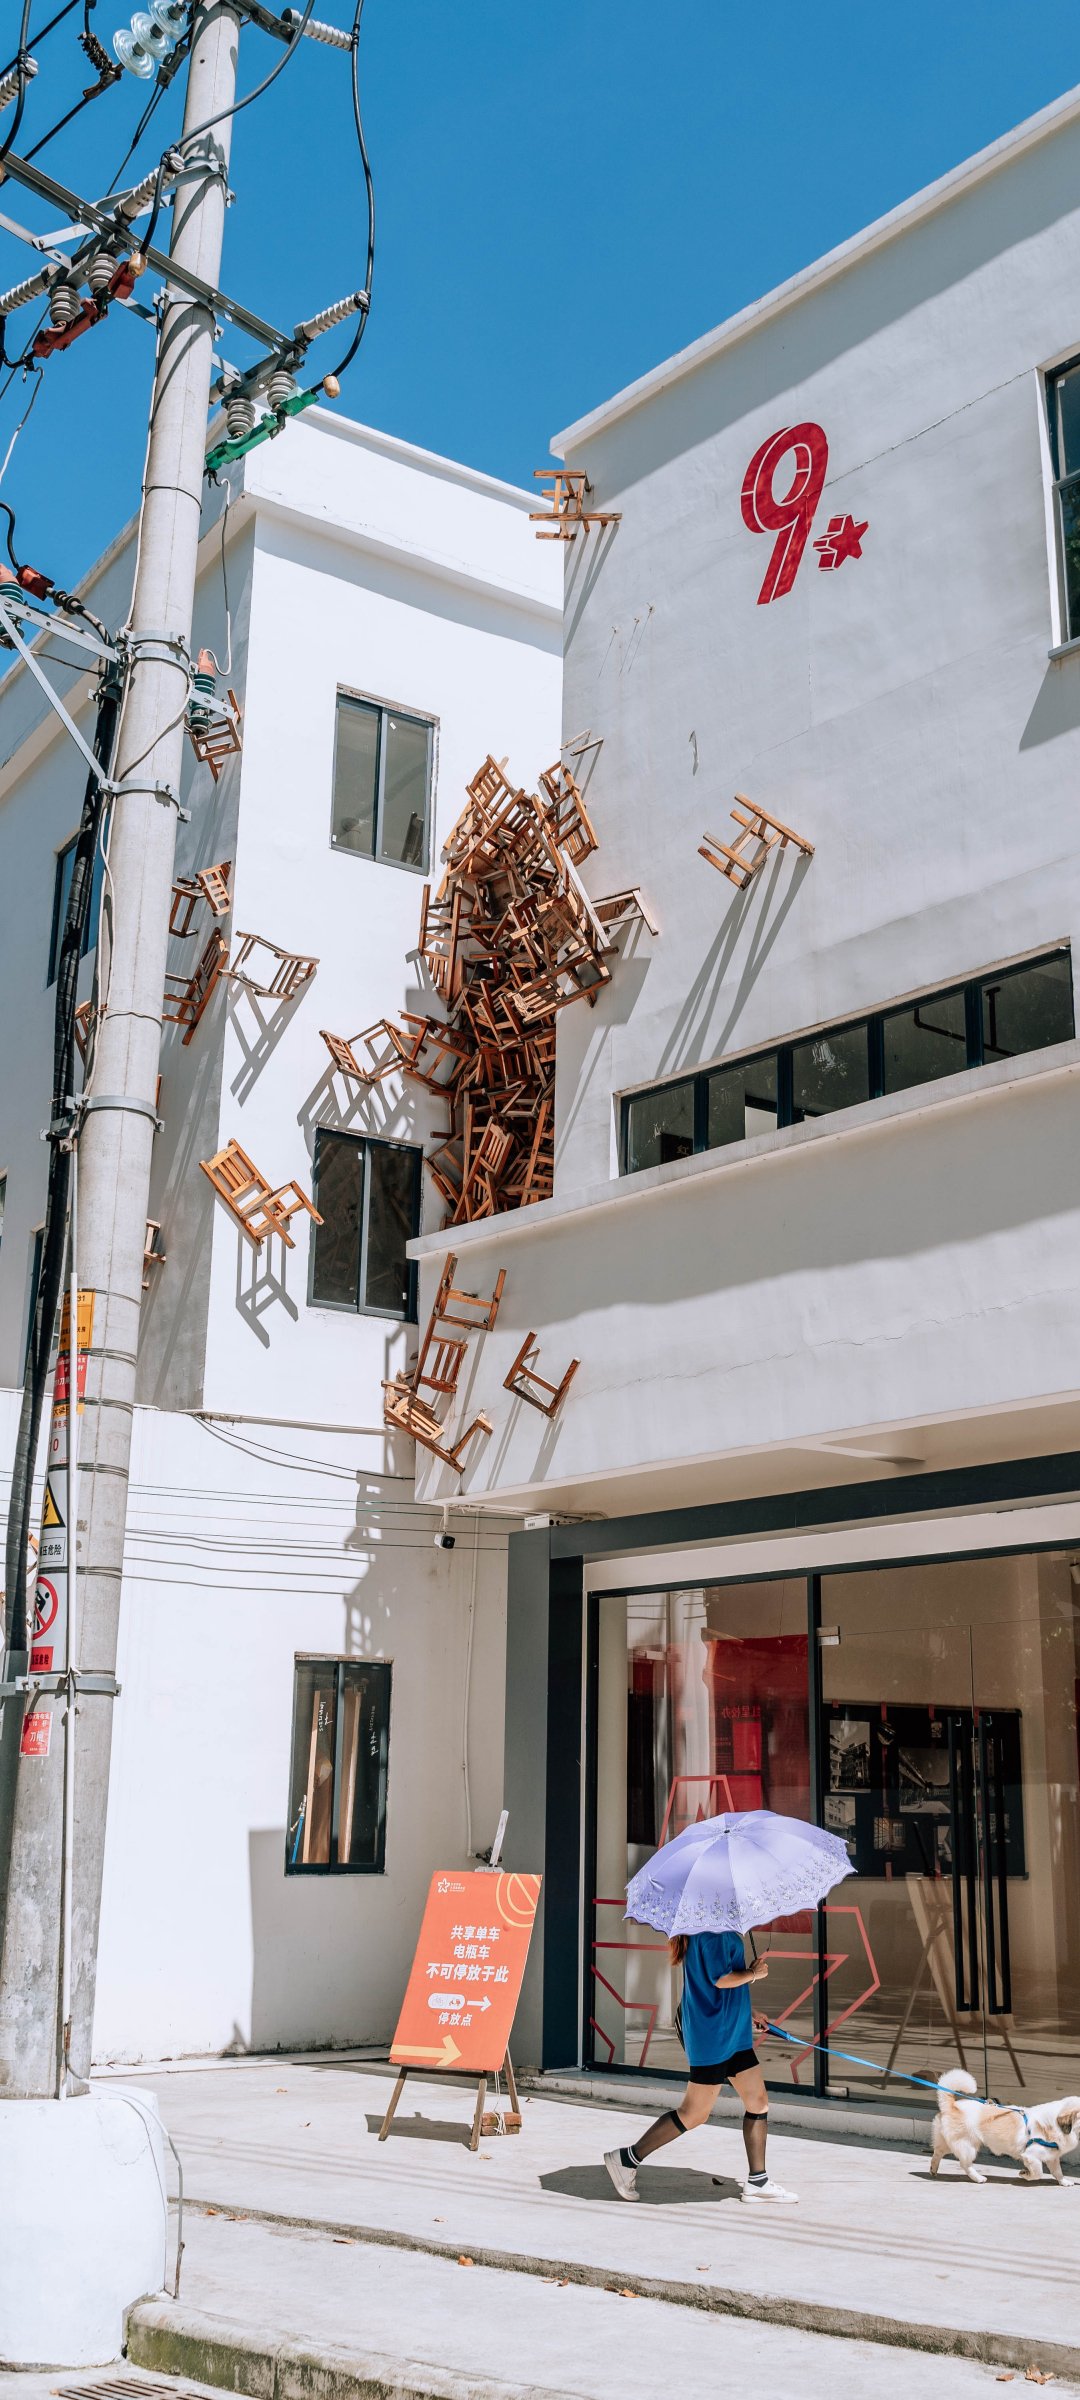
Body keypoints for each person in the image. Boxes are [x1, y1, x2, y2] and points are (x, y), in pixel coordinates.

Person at [604, 1933, 797, 2204]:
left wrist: (747, 2010)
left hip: (731, 2030)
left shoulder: (715, 1929)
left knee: (758, 2101)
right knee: (693, 2114)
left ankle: (758, 2181)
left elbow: (716, 1983)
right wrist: (753, 1974)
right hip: (713, 2036)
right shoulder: (712, 1933)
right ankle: (627, 2159)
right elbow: (720, 1979)